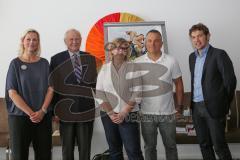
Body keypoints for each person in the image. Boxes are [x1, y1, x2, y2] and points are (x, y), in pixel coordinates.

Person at [188, 23, 236, 160]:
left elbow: (230, 81)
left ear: (208, 36)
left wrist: (224, 103)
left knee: (219, 145)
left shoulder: (219, 54)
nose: (197, 40)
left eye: (200, 36)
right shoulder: (192, 57)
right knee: (204, 144)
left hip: (214, 108)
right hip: (196, 107)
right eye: (193, 37)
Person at [135, 29, 184, 160]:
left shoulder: (171, 61)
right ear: (145, 43)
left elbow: (179, 84)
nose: (152, 44)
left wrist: (179, 107)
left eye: (156, 40)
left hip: (168, 113)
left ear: (161, 43)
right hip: (146, 113)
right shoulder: (137, 62)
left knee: (171, 146)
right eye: (149, 40)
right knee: (149, 147)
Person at [5, 29, 53, 160]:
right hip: (19, 117)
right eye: (28, 39)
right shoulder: (15, 64)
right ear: (23, 41)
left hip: (43, 117)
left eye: (35, 39)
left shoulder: (44, 63)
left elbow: (51, 89)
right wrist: (31, 113)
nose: (32, 42)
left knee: (44, 155)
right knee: (19, 155)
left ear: (38, 43)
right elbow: (12, 93)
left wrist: (42, 111)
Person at [49, 29, 97, 160]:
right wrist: (54, 111)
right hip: (65, 112)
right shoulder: (56, 59)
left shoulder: (90, 58)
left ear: (81, 40)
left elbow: (95, 85)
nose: (74, 41)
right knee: (67, 149)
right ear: (65, 41)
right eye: (71, 39)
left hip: (86, 111)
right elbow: (52, 87)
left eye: (77, 39)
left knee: (85, 149)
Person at [96, 38, 144, 160]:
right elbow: (100, 93)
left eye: (123, 48)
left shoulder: (134, 67)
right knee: (115, 151)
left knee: (133, 151)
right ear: (111, 50)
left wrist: (124, 112)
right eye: (116, 47)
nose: (119, 50)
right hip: (108, 116)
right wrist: (111, 113)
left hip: (129, 115)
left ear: (127, 51)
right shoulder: (104, 69)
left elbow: (138, 92)